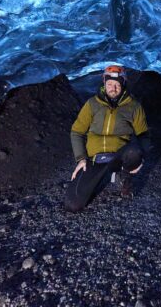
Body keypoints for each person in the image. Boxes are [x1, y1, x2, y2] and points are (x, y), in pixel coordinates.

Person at [64, 65, 151, 212]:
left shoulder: (134, 106)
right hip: (94, 159)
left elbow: (143, 135)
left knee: (134, 151)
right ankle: (106, 176)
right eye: (110, 84)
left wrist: (141, 158)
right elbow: (76, 131)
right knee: (73, 205)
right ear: (104, 83)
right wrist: (81, 159)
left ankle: (124, 175)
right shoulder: (92, 104)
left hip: (119, 156)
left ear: (123, 84)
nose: (113, 88)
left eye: (117, 84)